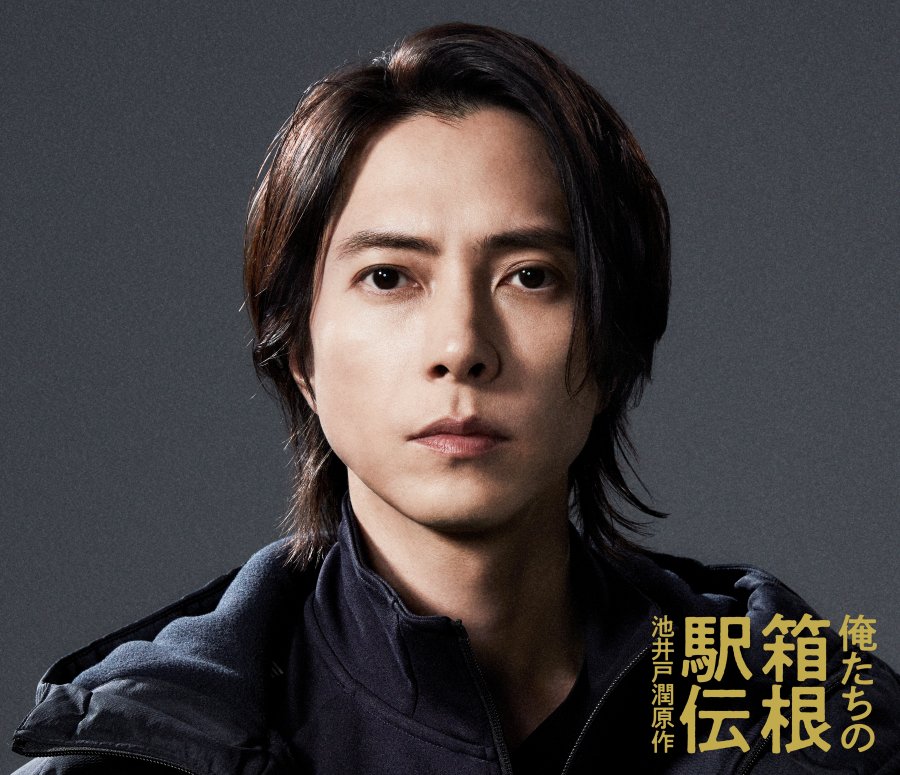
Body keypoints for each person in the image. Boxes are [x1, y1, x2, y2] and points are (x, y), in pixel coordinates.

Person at [10, 22, 899, 775]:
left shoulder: (800, 721)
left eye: (530, 276)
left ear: (613, 339)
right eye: (389, 276)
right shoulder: (151, 745)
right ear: (300, 351)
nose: (462, 347)